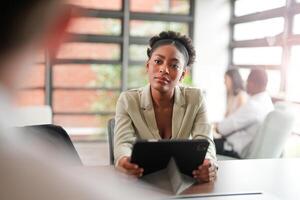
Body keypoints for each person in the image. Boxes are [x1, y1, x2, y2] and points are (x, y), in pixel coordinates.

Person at [114, 31, 218, 182]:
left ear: (183, 74)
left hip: (182, 180)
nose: (164, 69)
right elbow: (123, 143)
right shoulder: (128, 100)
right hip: (143, 180)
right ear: (148, 65)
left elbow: (205, 142)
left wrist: (208, 164)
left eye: (174, 65)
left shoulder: (196, 99)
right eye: (158, 61)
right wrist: (123, 159)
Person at [215, 69, 274, 158]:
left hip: (234, 150)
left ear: (253, 82)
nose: (246, 84)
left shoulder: (254, 105)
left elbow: (222, 128)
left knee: (202, 145)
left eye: (248, 81)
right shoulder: (267, 102)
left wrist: (216, 127)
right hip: (246, 148)